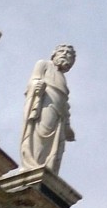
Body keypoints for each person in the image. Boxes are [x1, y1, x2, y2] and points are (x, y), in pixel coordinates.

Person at [20, 44, 76, 174]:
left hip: (59, 113)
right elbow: (33, 81)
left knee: (55, 145)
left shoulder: (63, 79)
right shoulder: (43, 64)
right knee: (41, 134)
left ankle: (48, 168)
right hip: (45, 103)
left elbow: (65, 105)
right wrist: (36, 85)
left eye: (68, 53)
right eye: (61, 51)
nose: (65, 54)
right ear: (54, 54)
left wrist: (67, 126)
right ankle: (33, 164)